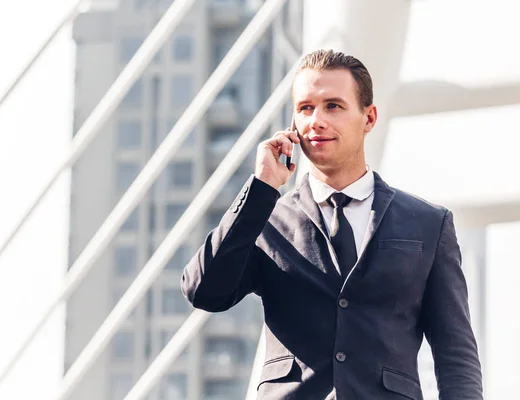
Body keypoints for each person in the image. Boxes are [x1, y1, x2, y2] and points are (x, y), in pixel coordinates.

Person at [181, 49, 483, 399]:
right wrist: (261, 187)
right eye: (305, 108)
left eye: (333, 106)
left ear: (369, 118)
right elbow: (204, 291)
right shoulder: (265, 219)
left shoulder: (429, 224)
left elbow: (455, 352)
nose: (316, 121)